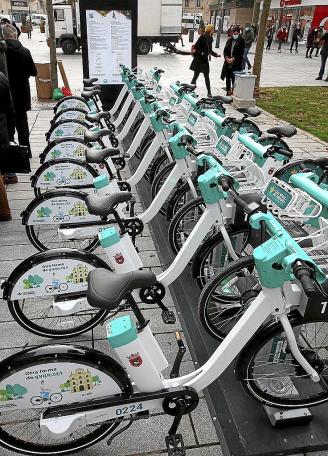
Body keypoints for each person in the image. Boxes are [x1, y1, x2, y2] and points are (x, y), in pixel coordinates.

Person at [2, 23, 37, 183]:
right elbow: (33, 72)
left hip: (7, 95)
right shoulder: (25, 51)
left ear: (4, 36)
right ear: (15, 35)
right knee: (22, 124)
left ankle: (11, 158)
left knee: (9, 127)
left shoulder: (3, 53)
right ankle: (26, 152)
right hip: (22, 95)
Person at [190, 24, 220, 97]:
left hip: (205, 61)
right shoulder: (202, 37)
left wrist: (215, 55)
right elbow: (196, 47)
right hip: (199, 60)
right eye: (212, 29)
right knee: (195, 76)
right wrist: (202, 52)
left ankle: (209, 92)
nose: (213, 30)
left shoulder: (210, 38)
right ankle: (190, 90)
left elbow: (209, 50)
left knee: (206, 76)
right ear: (210, 30)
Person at [0, 71, 15, 220]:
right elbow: (10, 109)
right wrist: (11, 133)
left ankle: (4, 211)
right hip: (2, 132)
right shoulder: (2, 77)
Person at [221, 25, 245, 95]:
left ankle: (234, 92)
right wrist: (226, 58)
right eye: (234, 33)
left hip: (236, 63)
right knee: (228, 78)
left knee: (234, 79)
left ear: (239, 33)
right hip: (228, 63)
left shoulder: (242, 40)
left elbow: (241, 52)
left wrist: (233, 59)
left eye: (236, 34)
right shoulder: (229, 40)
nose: (235, 35)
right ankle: (228, 91)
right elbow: (225, 50)